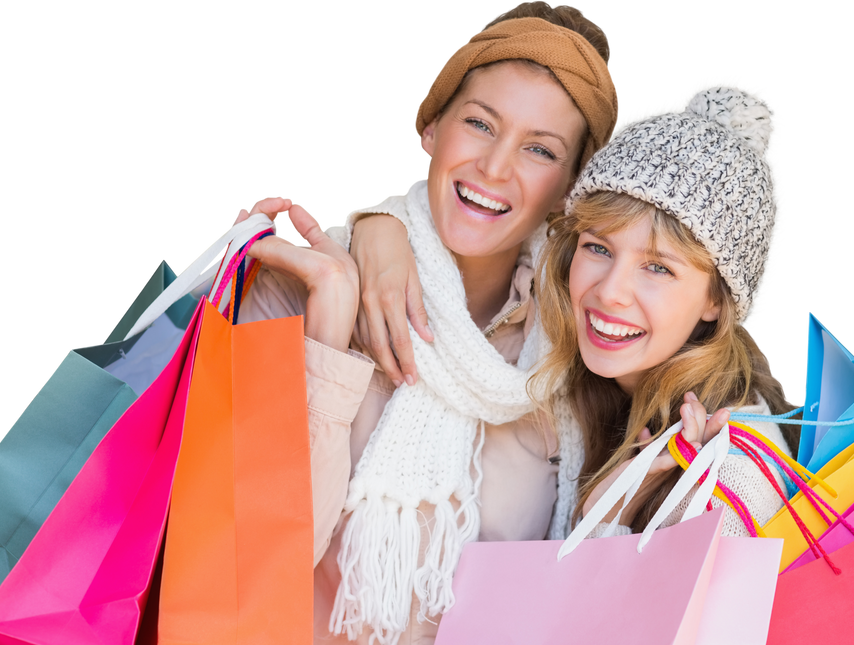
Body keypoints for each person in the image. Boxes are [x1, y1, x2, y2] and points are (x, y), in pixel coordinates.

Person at [232, 3, 620, 643]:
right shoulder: (301, 287)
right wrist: (328, 338)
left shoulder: (577, 349)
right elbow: (250, 559)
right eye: (479, 123)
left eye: (539, 150)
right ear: (431, 128)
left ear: (572, 189)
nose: (495, 168)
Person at [529, 78, 800, 538]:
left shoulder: (735, 476)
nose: (610, 291)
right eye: (598, 248)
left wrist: (603, 517)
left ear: (716, 300)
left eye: (657, 267)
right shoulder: (597, 389)